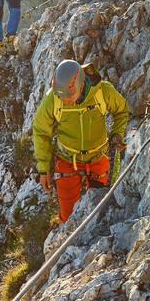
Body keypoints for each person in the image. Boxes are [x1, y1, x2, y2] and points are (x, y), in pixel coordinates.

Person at [32, 59, 128, 222]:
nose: (65, 101)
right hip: (67, 159)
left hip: (99, 157)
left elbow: (121, 111)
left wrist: (116, 134)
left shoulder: (102, 92)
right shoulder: (53, 99)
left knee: (100, 210)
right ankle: (66, 241)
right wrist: (43, 169)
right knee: (67, 216)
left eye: (70, 97)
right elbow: (41, 131)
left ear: (81, 85)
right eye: (62, 98)